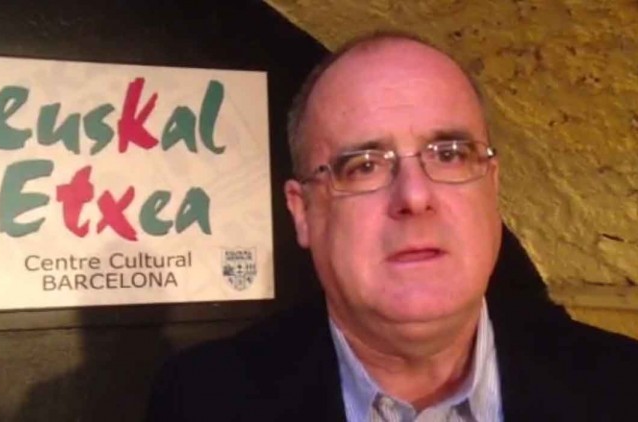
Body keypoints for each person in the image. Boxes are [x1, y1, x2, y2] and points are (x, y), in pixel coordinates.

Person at [146, 32, 638, 421]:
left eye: (449, 155)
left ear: (492, 186)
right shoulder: (204, 400)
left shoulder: (621, 386)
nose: (415, 196)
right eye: (364, 165)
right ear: (303, 212)